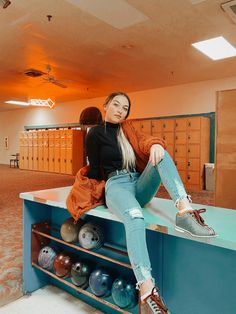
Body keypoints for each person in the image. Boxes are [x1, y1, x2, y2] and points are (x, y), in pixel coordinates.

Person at [67, 91, 217, 314]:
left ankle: (184, 212)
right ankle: (147, 291)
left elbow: (144, 141)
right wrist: (99, 193)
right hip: (116, 185)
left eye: (125, 108)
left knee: (162, 153)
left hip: (138, 183)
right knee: (135, 218)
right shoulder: (94, 134)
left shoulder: (128, 129)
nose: (120, 110)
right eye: (116, 105)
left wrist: (156, 144)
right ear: (106, 105)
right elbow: (97, 171)